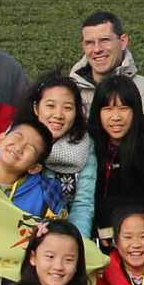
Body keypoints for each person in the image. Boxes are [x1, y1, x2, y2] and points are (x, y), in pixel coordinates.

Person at [88, 76, 144, 238]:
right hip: (93, 233)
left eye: (123, 108)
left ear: (135, 110)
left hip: (136, 236)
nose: (116, 117)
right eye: (107, 109)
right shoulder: (89, 142)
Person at [26, 75, 98, 237]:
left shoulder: (85, 146)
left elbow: (83, 205)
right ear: (37, 108)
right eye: (50, 106)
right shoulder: (17, 139)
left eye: (67, 108)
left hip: (63, 232)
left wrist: (76, 244)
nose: (58, 115)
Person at [70, 11, 144, 122]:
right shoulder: (66, 94)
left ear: (123, 42)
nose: (97, 49)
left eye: (104, 40)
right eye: (89, 43)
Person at [0, 118, 64, 218]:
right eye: (17, 137)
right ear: (1, 139)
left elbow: (58, 231)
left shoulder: (46, 195)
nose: (19, 148)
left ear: (34, 168)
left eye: (30, 148)